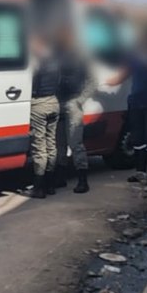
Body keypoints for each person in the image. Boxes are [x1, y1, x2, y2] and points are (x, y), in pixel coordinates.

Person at [107, 24, 147, 186]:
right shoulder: (134, 54)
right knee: (137, 139)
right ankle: (140, 172)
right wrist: (105, 84)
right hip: (135, 102)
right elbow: (123, 74)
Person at [54, 29, 94, 194]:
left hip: (73, 103)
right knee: (59, 144)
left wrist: (80, 100)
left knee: (75, 144)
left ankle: (82, 181)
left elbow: (93, 81)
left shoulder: (81, 57)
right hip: (58, 102)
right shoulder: (56, 55)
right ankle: (61, 178)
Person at [26, 35, 61, 199]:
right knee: (51, 144)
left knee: (39, 146)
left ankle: (38, 187)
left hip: (39, 104)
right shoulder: (55, 61)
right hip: (54, 101)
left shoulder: (37, 63)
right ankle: (51, 184)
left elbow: (29, 82)